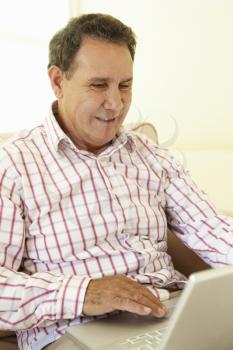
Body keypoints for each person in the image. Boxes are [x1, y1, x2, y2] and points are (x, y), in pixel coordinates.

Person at [0, 13, 233, 350]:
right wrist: (85, 292)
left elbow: (214, 229)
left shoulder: (152, 157)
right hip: (75, 330)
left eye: (125, 85)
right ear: (57, 81)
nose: (116, 103)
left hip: (168, 313)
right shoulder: (14, 165)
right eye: (98, 85)